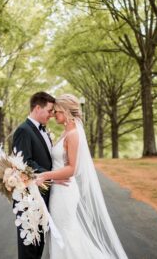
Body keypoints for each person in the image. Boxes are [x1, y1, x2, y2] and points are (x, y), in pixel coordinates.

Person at [36, 94, 128, 259]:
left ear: (65, 111)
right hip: (58, 189)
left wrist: (45, 175)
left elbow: (72, 169)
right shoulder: (67, 132)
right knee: (65, 232)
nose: (53, 115)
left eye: (56, 111)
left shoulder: (73, 135)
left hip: (64, 193)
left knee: (66, 233)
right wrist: (53, 178)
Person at [13, 91, 66, 259]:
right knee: (29, 247)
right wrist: (53, 175)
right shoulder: (23, 130)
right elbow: (25, 162)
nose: (51, 115)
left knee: (39, 244)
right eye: (49, 111)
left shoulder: (43, 130)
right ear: (37, 108)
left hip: (43, 195)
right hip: (29, 199)